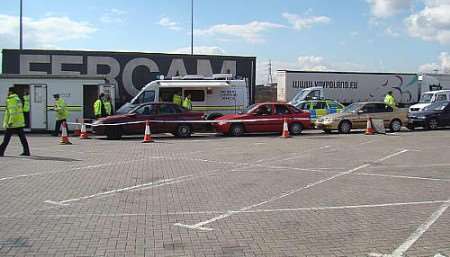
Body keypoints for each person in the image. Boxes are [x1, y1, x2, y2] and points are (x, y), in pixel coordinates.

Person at [0, 87, 30, 157]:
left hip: (12, 124)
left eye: (8, 91)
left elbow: (12, 112)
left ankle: (0, 152)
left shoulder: (11, 99)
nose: (7, 93)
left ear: (11, 92)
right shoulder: (18, 99)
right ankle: (27, 152)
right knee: (23, 139)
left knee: (6, 139)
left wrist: (10, 122)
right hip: (19, 123)